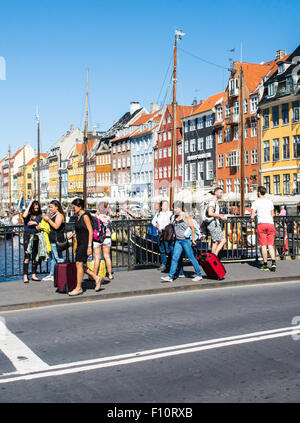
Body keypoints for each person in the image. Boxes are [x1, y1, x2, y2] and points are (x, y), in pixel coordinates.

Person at [68, 198, 103, 296]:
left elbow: (90, 231)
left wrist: (89, 246)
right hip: (79, 243)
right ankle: (96, 278)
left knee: (79, 264)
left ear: (79, 206)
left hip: (85, 243)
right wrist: (73, 234)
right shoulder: (78, 216)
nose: (73, 209)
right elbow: (80, 229)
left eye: (74, 207)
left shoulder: (85, 216)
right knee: (78, 264)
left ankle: (78, 288)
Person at [161, 201, 202, 283]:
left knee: (191, 258)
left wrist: (193, 240)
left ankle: (199, 275)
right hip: (178, 241)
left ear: (180, 207)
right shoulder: (175, 216)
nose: (174, 209)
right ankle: (170, 277)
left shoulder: (185, 216)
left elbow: (192, 228)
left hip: (186, 241)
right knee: (174, 258)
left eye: (176, 207)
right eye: (174, 207)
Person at [251, 186, 277, 271]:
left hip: (261, 224)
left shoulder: (255, 202)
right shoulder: (269, 202)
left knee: (263, 245)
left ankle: (265, 265)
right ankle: (273, 263)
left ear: (258, 192)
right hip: (270, 224)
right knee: (270, 245)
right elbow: (272, 214)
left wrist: (254, 219)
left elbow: (252, 216)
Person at [42, 200, 66, 282]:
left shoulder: (59, 215)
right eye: (50, 207)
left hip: (57, 239)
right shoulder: (55, 215)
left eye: (51, 207)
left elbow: (56, 226)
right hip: (52, 239)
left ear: (57, 207)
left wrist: (48, 220)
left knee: (58, 258)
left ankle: (63, 274)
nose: (50, 209)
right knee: (53, 258)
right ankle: (52, 274)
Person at [22, 199, 43, 283]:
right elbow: (24, 216)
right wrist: (30, 203)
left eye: (37, 208)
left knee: (35, 257)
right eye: (34, 208)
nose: (36, 210)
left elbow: (39, 228)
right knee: (27, 257)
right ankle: (25, 276)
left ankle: (34, 275)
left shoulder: (39, 216)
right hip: (27, 236)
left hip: (36, 236)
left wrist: (35, 223)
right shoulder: (28, 215)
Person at [93, 202, 113, 280]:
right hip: (106, 237)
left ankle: (95, 275)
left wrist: (97, 213)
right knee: (107, 257)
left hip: (97, 238)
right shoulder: (108, 217)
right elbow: (110, 224)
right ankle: (110, 274)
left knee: (97, 258)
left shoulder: (96, 217)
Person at [152, 200, 173, 272]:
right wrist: (156, 225)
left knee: (168, 249)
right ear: (161, 206)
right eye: (164, 205)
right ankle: (164, 264)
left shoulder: (170, 214)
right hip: (160, 233)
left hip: (167, 234)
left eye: (167, 205)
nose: (166, 206)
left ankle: (169, 264)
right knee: (161, 249)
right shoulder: (158, 214)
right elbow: (153, 221)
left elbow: (172, 222)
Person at [206, 187, 227, 257]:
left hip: (212, 223)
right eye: (220, 192)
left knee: (215, 242)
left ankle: (212, 259)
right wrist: (219, 216)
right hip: (213, 223)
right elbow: (210, 213)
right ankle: (214, 256)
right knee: (223, 240)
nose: (222, 194)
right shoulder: (212, 202)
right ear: (215, 193)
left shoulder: (214, 201)